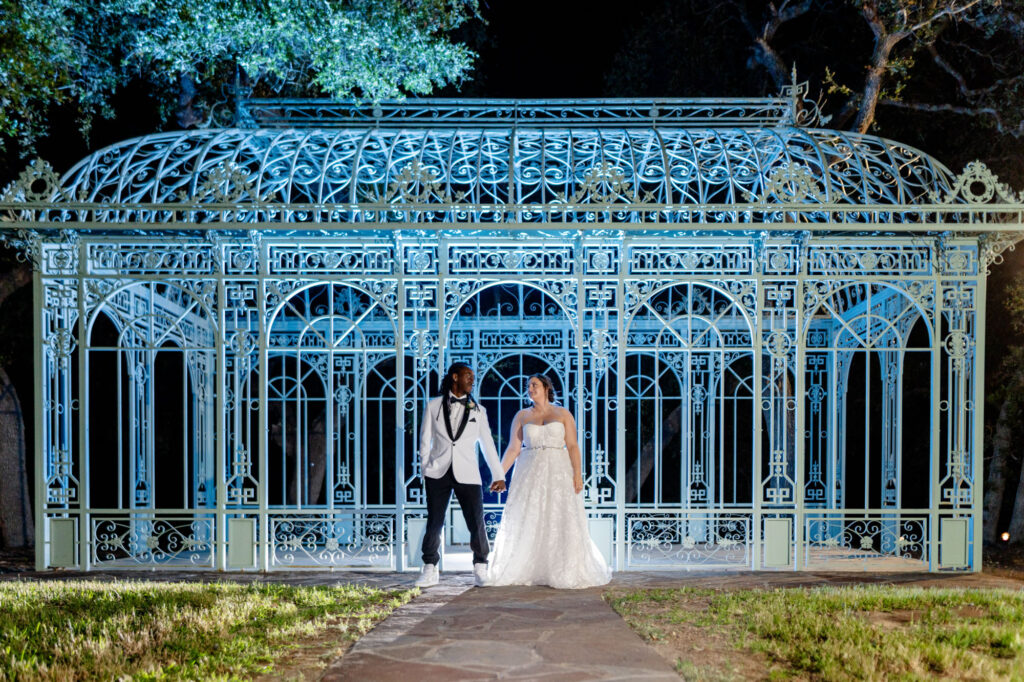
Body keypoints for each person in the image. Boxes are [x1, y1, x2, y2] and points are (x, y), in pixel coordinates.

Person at [487, 374, 611, 588]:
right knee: (529, 515)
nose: (530, 388)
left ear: (546, 387)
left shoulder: (563, 413)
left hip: (558, 470)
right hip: (530, 470)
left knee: (558, 514)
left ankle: (561, 567)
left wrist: (577, 474)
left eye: (534, 385)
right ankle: (527, 566)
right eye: (528, 386)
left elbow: (572, 446)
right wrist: (499, 474)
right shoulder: (522, 415)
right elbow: (513, 448)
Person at [415, 362, 506, 588]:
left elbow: (487, 444)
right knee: (435, 522)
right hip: (438, 471)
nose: (471, 380)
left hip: (468, 473)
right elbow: (424, 440)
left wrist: (498, 474)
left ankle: (480, 567)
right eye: (468, 376)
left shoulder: (479, 410)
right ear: (455, 377)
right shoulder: (433, 405)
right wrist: (426, 468)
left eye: (473, 377)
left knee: (476, 523)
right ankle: (429, 568)